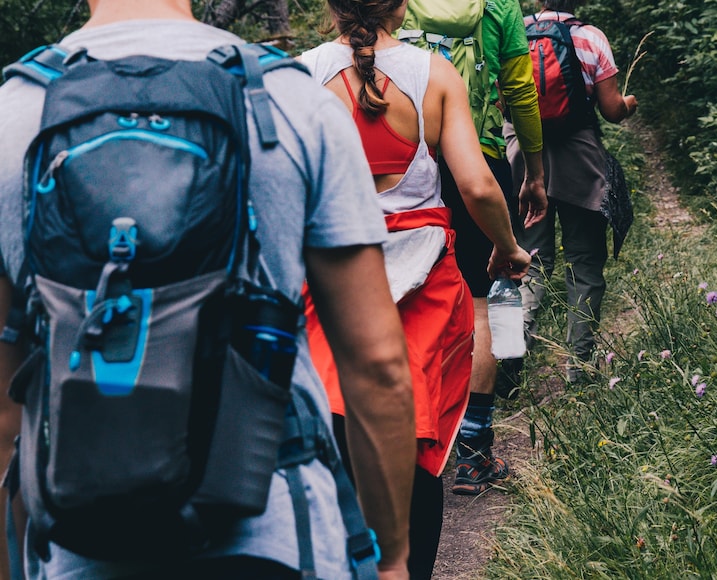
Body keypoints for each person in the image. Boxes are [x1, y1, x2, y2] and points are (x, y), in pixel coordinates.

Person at [0, 1, 416, 578]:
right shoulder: (289, 100)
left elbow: (6, 411)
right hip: (276, 527)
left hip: (83, 534)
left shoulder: (12, 114)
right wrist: (391, 557)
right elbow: (378, 365)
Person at [297, 0, 532, 577]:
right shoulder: (435, 74)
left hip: (331, 275)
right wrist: (506, 246)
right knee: (418, 452)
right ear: (401, 6)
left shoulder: (299, 75)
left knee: (331, 427)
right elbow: (475, 185)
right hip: (425, 284)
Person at [433, 0, 549, 497]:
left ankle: (419, 440)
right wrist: (535, 172)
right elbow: (521, 90)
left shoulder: (399, 5)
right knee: (489, 299)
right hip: (478, 160)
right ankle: (476, 453)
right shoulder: (499, 6)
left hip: (407, 163)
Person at [505, 0, 637, 383]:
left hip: (521, 159)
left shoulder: (515, 36)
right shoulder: (590, 37)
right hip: (579, 160)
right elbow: (612, 110)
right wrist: (629, 104)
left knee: (527, 259)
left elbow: (503, 102)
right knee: (585, 262)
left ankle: (512, 353)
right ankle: (578, 367)